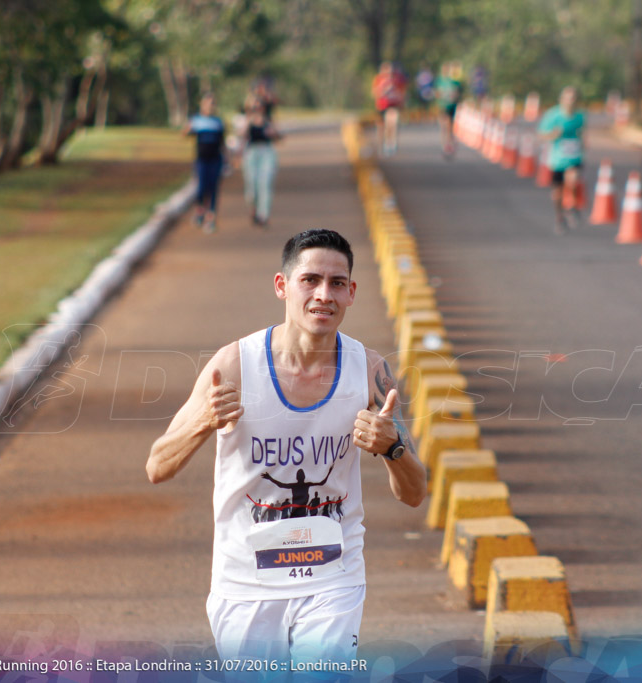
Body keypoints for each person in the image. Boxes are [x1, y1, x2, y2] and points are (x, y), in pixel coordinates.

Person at [146, 229, 427, 665]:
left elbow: (415, 493)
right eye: (309, 280)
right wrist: (204, 421)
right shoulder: (234, 365)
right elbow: (157, 466)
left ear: (351, 293)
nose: (323, 295)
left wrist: (392, 449)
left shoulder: (370, 371)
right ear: (282, 286)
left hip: (334, 574)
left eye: (337, 284)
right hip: (246, 582)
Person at [538, 86, 586, 234]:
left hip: (574, 156)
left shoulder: (580, 117)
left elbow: (582, 133)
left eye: (573, 98)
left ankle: (571, 207)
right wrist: (554, 134)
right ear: (561, 99)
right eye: (567, 98)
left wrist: (582, 142)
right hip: (557, 158)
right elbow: (541, 135)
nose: (570, 101)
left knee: (573, 178)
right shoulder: (553, 115)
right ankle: (559, 217)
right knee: (557, 192)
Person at [183, 92, 226, 233]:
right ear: (202, 104)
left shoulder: (218, 122)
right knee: (201, 186)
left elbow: (222, 143)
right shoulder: (196, 120)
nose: (209, 106)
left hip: (216, 159)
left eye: (212, 103)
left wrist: (228, 159)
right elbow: (185, 134)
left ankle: (211, 217)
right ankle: (200, 211)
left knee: (213, 187)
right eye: (207, 103)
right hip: (202, 159)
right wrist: (188, 129)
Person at [242, 101, 281, 228]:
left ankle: (263, 215)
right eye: (255, 107)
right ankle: (254, 208)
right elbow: (241, 135)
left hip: (267, 153)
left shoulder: (268, 121)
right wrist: (248, 121)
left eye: (260, 107)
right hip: (252, 153)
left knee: (265, 183)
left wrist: (273, 132)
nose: (257, 109)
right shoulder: (248, 121)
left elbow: (278, 137)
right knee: (252, 185)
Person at [372, 61, 407, 157]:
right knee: (382, 128)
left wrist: (401, 100)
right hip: (382, 106)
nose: (389, 72)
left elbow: (402, 93)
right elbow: (375, 93)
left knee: (392, 122)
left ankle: (391, 143)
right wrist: (384, 90)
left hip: (393, 105)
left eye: (390, 70)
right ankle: (381, 144)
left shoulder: (397, 80)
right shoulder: (378, 79)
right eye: (386, 70)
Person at [435, 61, 465, 159]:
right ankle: (445, 144)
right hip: (443, 106)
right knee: (444, 125)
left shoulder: (453, 82)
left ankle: (449, 143)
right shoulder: (439, 81)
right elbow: (437, 94)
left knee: (450, 126)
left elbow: (458, 93)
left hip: (452, 106)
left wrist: (454, 97)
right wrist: (441, 96)